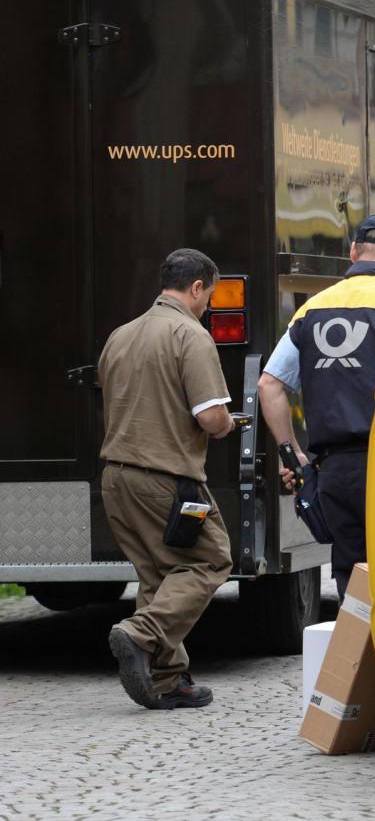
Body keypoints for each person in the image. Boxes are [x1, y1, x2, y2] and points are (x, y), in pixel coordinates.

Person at [99, 248, 239, 710]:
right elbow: (209, 416)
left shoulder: (120, 335)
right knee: (212, 559)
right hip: (167, 479)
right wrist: (228, 423)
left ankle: (167, 678)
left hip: (115, 478)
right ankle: (139, 634)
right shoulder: (189, 334)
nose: (209, 306)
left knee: (159, 572)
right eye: (209, 296)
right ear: (196, 287)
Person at [258, 214, 375, 596]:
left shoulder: (312, 309)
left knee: (353, 577)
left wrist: (291, 455)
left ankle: (354, 653)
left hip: (335, 472)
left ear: (353, 252)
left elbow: (269, 384)